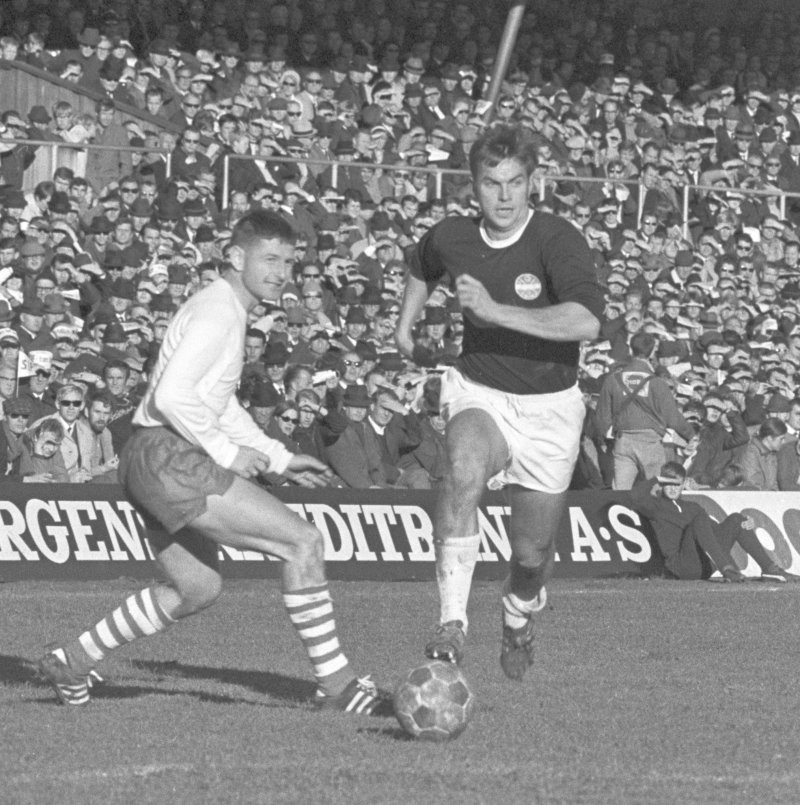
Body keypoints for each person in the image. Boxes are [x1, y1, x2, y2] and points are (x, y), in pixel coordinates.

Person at [37, 210, 391, 715]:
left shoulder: (224, 309)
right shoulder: (219, 311)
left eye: (289, 262)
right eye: (269, 259)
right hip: (168, 453)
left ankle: (72, 660)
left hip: (147, 455)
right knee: (303, 542)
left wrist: (279, 456)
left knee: (196, 587)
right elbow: (174, 395)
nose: (281, 272)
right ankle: (337, 686)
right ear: (235, 257)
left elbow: (219, 404)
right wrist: (229, 454)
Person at [394, 123, 603, 679]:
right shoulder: (454, 235)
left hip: (551, 409)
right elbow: (422, 264)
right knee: (463, 467)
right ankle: (451, 622)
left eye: (515, 182)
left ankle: (517, 612)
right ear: (474, 186)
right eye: (492, 183)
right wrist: (404, 328)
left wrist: (493, 311)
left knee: (531, 556)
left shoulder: (557, 239)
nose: (505, 196)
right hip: (479, 390)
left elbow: (585, 319)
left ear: (533, 182)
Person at [629, 462, 799, 582]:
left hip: (706, 565)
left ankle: (769, 568)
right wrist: (657, 479)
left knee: (737, 519)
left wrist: (746, 525)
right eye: (669, 484)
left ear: (683, 485)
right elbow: (633, 497)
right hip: (681, 567)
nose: (673, 488)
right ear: (663, 484)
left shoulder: (692, 507)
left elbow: (712, 535)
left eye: (677, 484)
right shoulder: (656, 506)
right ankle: (728, 569)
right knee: (700, 520)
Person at [595, 332, 694, 490]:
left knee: (620, 493)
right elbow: (672, 418)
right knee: (656, 491)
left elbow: (601, 417)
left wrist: (602, 441)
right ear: (652, 352)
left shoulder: (613, 379)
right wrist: (691, 435)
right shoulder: (657, 383)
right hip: (650, 443)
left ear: (631, 350)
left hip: (623, 441)